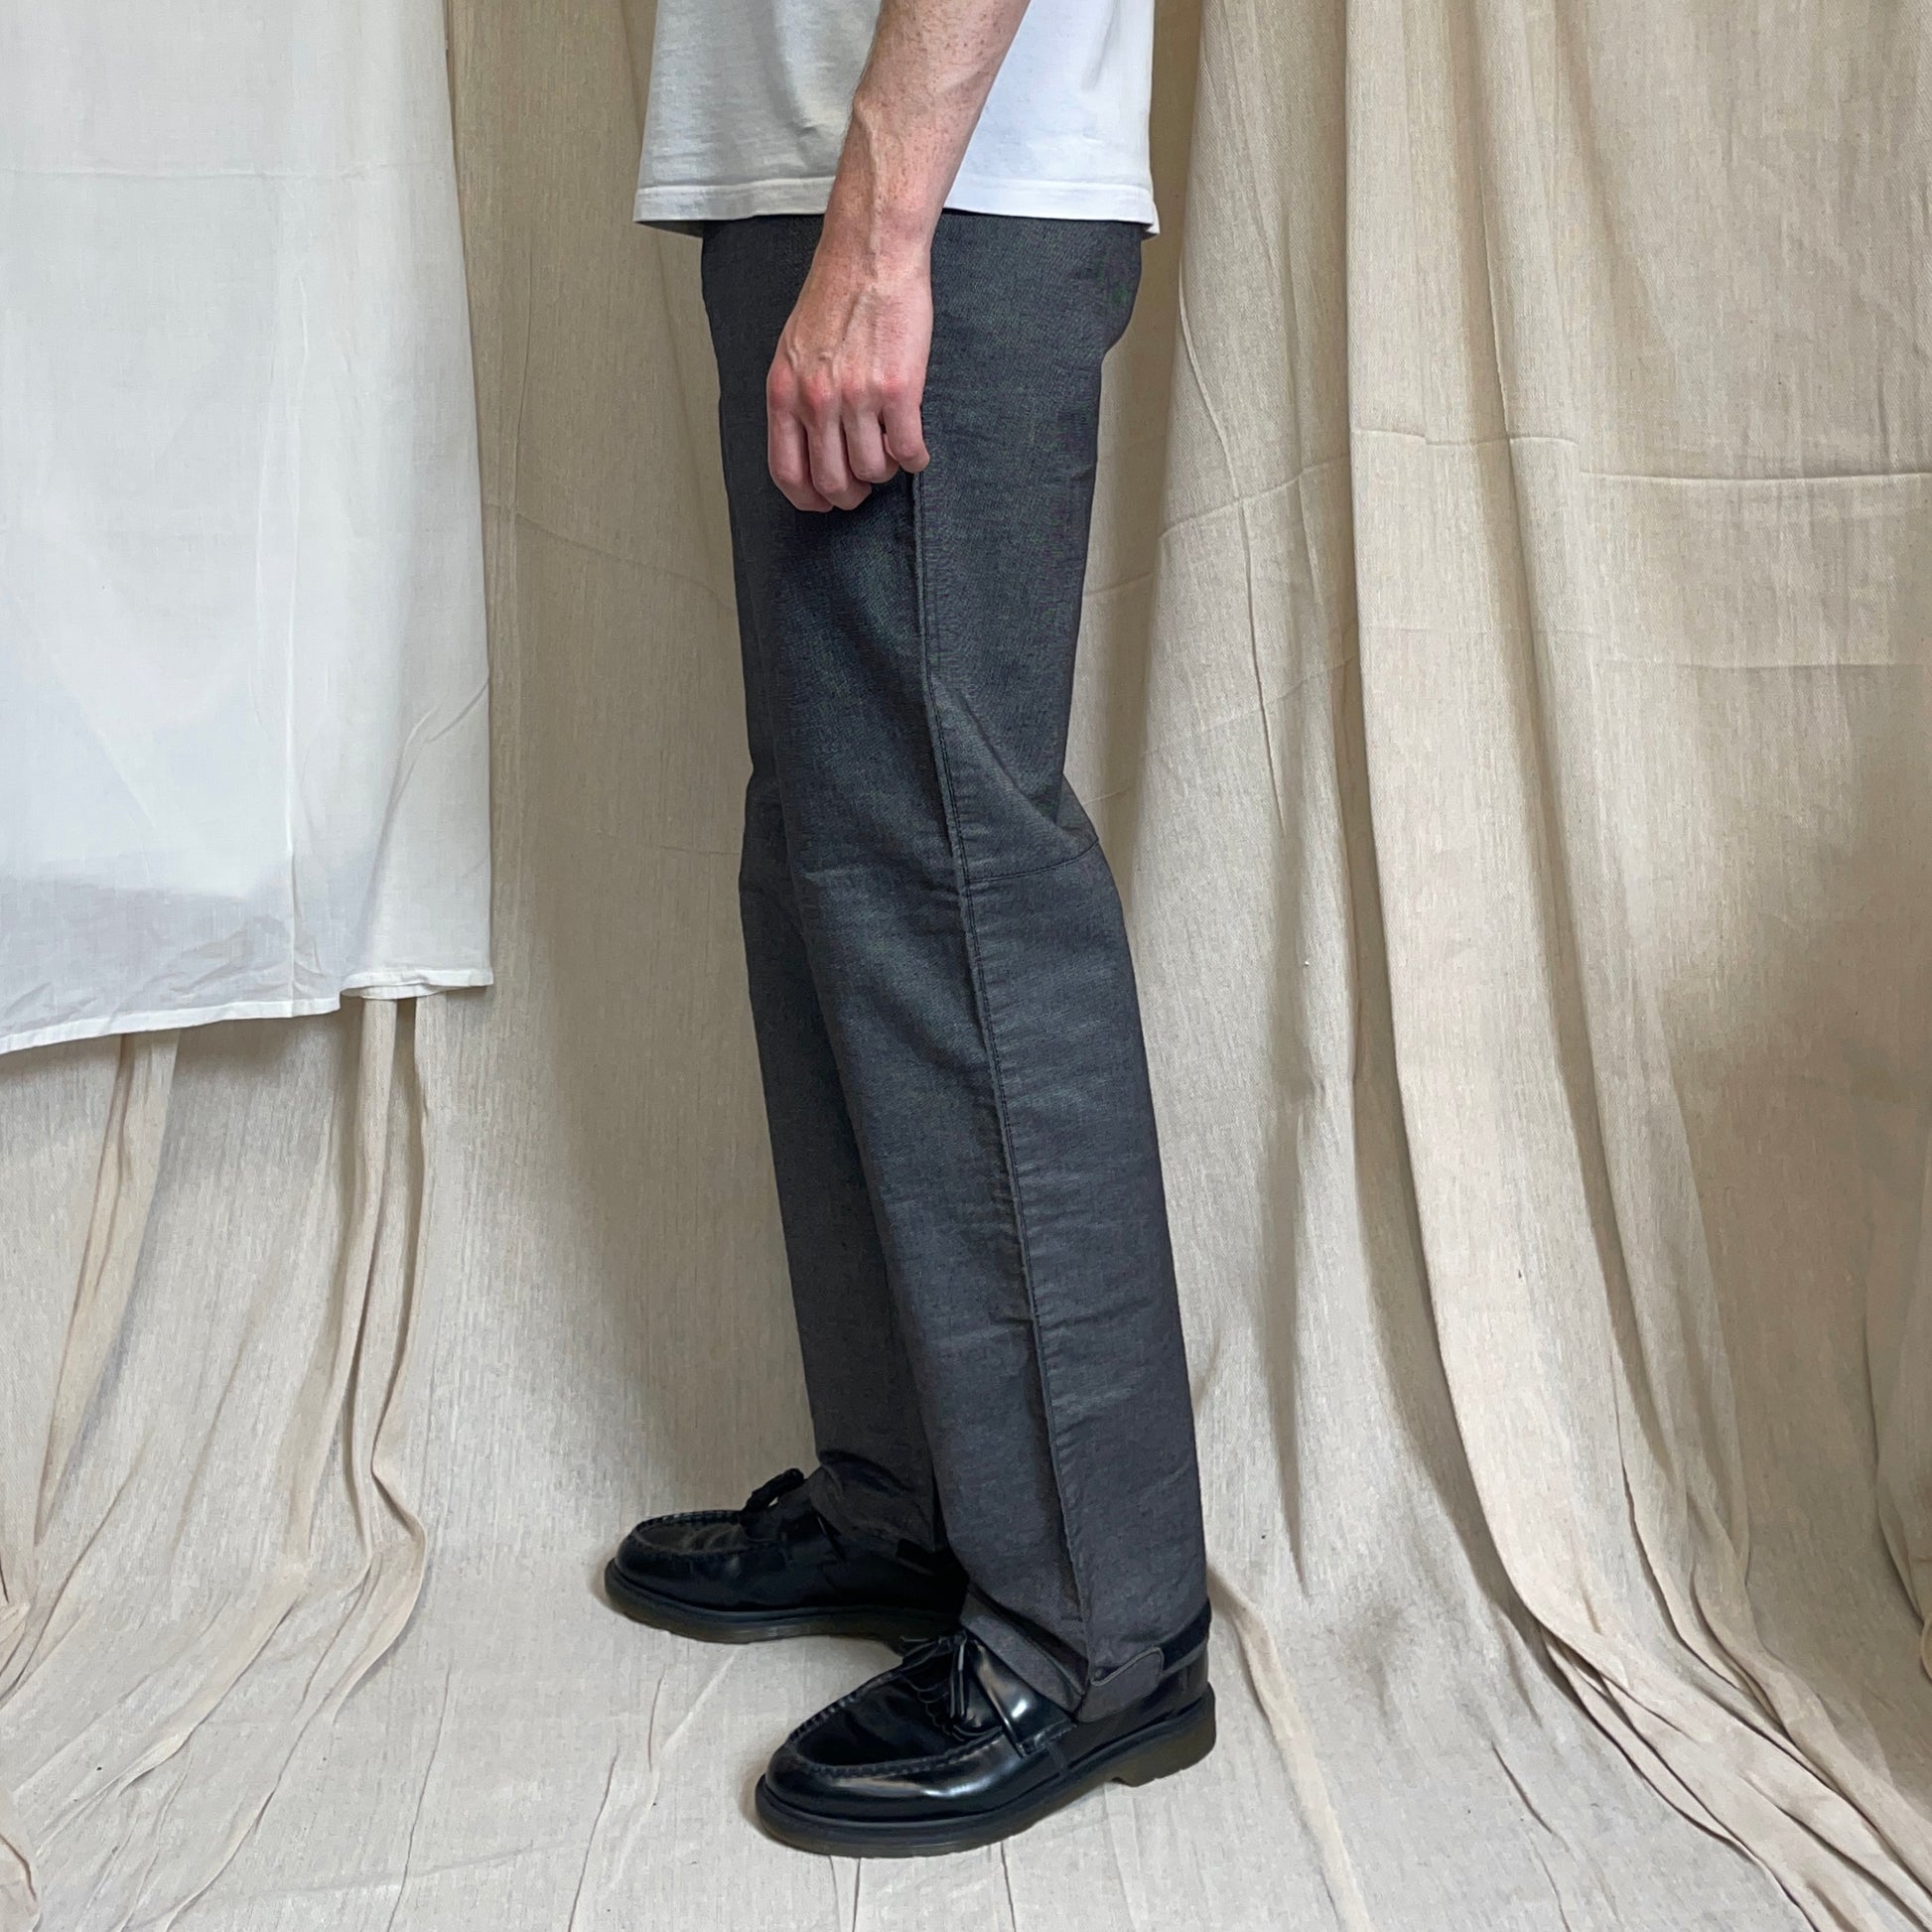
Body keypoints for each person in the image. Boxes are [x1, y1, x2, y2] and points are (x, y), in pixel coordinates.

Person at [607, 0, 1213, 1858]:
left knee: (949, 878)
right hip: (819, 169)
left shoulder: (903, 206)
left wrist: (881, 227)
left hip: (938, 185)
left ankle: (1097, 1630)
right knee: (834, 856)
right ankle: (912, 1502)